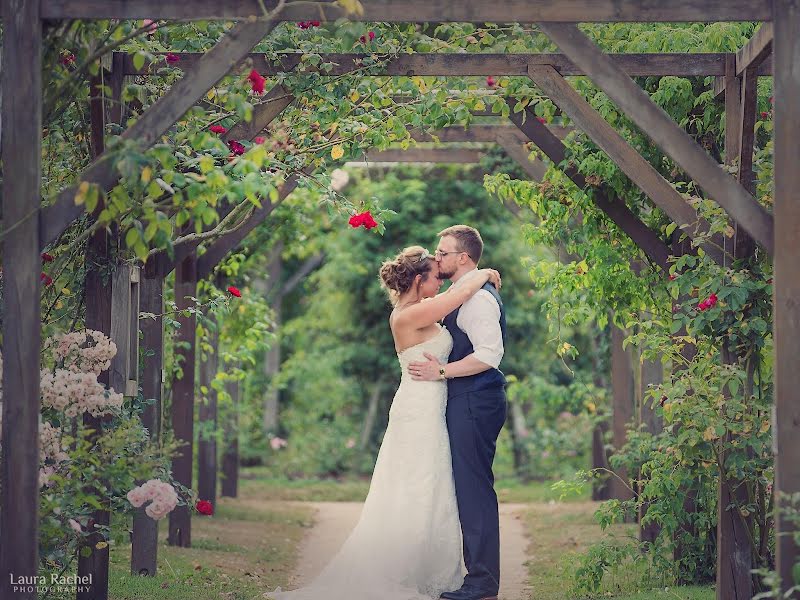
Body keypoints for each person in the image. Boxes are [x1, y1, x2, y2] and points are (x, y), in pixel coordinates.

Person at [267, 245, 501, 600]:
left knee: (431, 485)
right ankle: (402, 570)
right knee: (413, 485)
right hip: (419, 408)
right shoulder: (409, 315)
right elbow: (462, 293)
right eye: (435, 277)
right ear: (420, 281)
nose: (440, 281)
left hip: (432, 404)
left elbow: (457, 296)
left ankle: (428, 568)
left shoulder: (417, 309)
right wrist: (484, 274)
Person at [408, 226, 507, 600]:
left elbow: (488, 354)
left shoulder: (479, 300)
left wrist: (443, 372)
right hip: (466, 399)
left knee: (474, 489)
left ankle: (482, 583)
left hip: (475, 400)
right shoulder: (461, 293)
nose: (437, 258)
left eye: (443, 253)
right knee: (466, 488)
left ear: (462, 258)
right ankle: (477, 578)